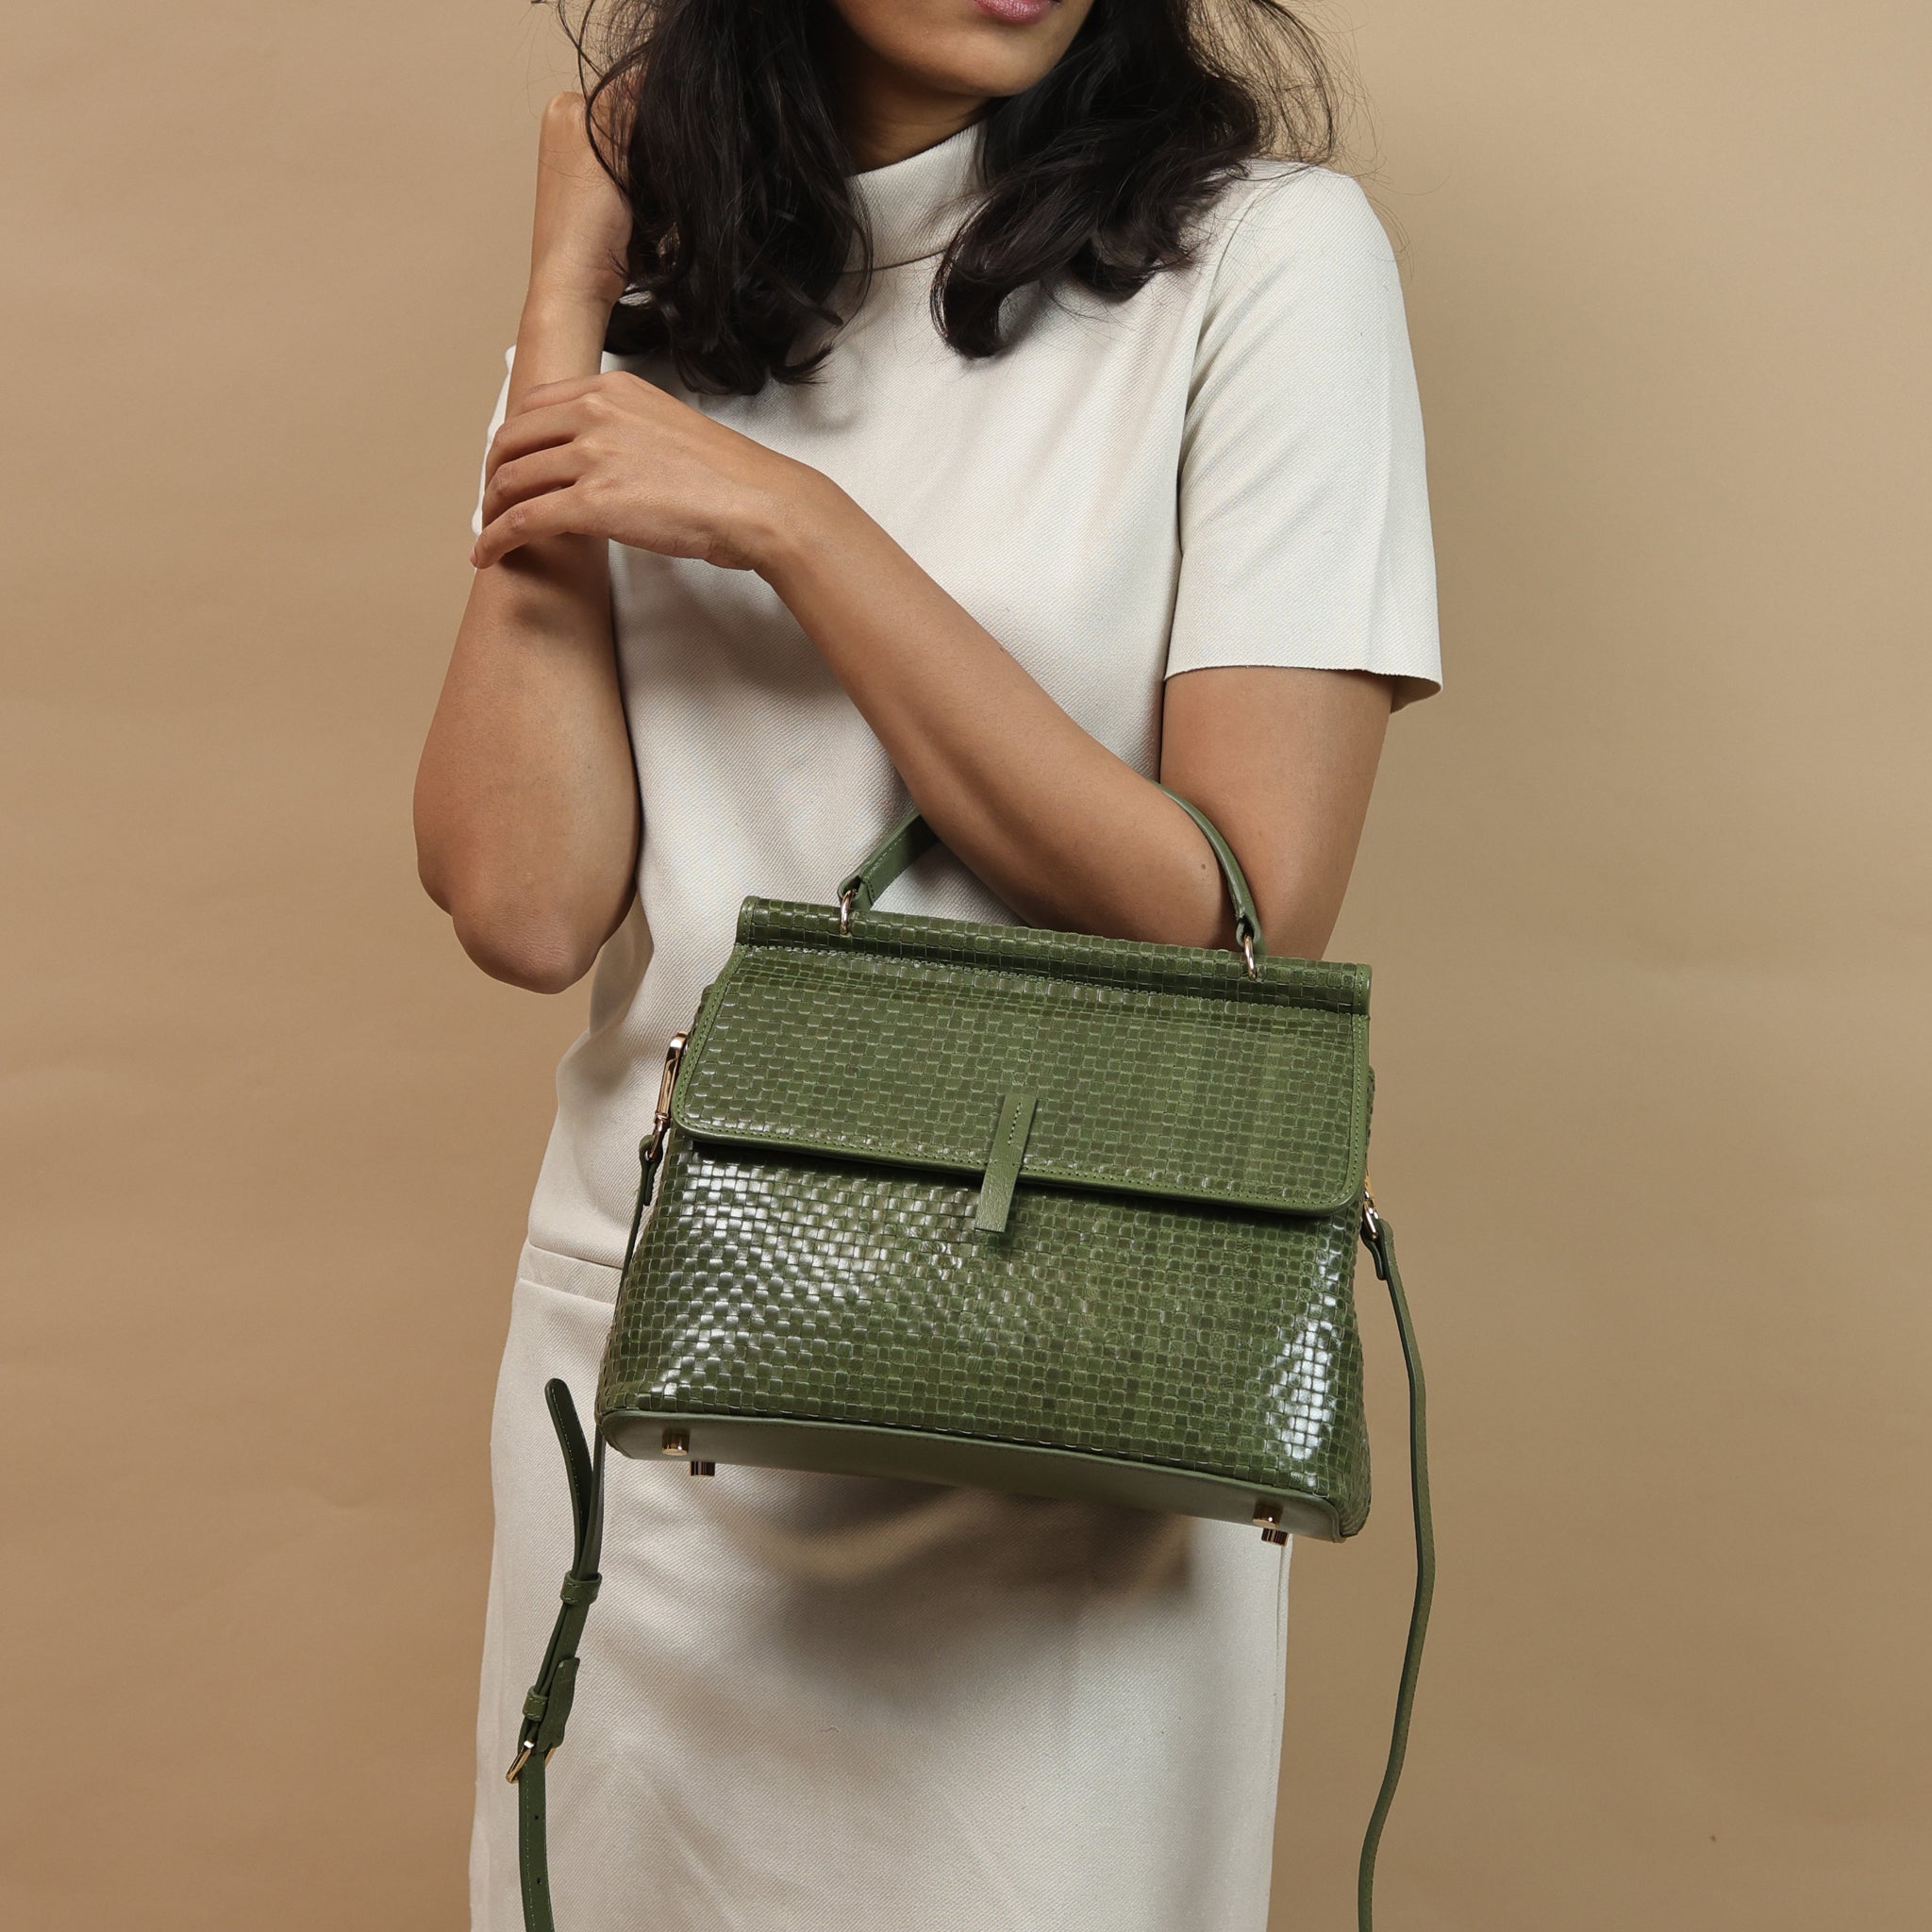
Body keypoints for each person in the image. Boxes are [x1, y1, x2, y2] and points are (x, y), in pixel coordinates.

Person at [414, 0, 1440, 1923]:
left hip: (1071, 1380)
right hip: (662, 1389)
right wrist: (564, 298)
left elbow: (1231, 911)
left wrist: (802, 533)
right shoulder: (664, 293)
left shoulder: (1263, 261)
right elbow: (523, 900)